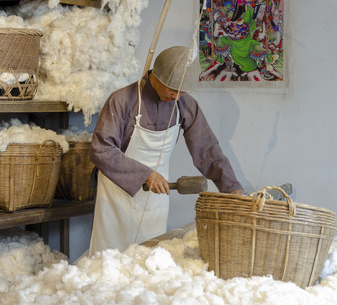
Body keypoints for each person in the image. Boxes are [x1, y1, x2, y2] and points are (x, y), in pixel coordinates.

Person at [88, 46, 244, 256]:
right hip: (117, 198)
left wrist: (231, 188)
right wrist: (145, 175)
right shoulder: (122, 100)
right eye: (172, 89)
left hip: (156, 196)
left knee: (150, 260)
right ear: (157, 75)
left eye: (182, 91)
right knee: (109, 262)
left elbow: (207, 149)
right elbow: (101, 150)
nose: (176, 96)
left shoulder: (185, 105)